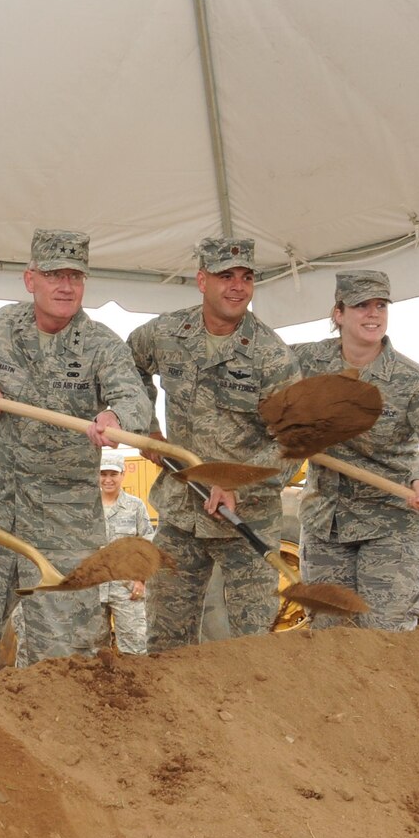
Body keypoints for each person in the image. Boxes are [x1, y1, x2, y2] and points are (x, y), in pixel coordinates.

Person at [0, 230, 151, 671]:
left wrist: (116, 419)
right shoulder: (1, 327)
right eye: (54, 274)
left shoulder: (102, 345)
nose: (65, 286)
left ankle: (59, 732)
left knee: (65, 641)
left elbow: (136, 401)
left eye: (75, 276)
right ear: (30, 279)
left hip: (66, 514)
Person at [129, 237, 302, 650]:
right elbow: (127, 365)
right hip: (180, 512)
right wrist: (147, 427)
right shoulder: (167, 332)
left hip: (247, 522)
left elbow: (294, 442)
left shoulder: (271, 356)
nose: (238, 286)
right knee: (166, 639)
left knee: (253, 645)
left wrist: (239, 483)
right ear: (202, 280)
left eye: (246, 277)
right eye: (226, 276)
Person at [292, 270, 419, 630]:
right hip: (325, 526)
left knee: (383, 638)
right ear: (339, 314)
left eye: (380, 305)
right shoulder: (305, 363)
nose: (373, 314)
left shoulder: (411, 380)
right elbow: (253, 379)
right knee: (330, 638)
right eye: (361, 306)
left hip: (394, 525)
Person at [97, 450, 156, 653]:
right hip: (91, 590)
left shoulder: (135, 507)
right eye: (103, 474)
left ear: (122, 474)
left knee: (135, 650)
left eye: (113, 474)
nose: (108, 479)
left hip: (127, 590)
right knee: (91, 653)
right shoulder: (87, 507)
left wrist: (141, 580)